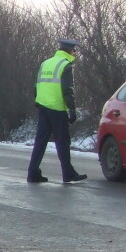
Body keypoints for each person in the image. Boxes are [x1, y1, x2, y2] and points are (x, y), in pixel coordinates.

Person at [27, 39, 87, 184]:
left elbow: (37, 85)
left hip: (43, 107)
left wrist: (38, 101)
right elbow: (68, 90)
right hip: (57, 108)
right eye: (74, 50)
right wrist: (72, 109)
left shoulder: (46, 63)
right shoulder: (65, 65)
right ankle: (68, 174)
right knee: (63, 142)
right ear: (70, 50)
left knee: (40, 142)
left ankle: (32, 173)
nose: (75, 53)